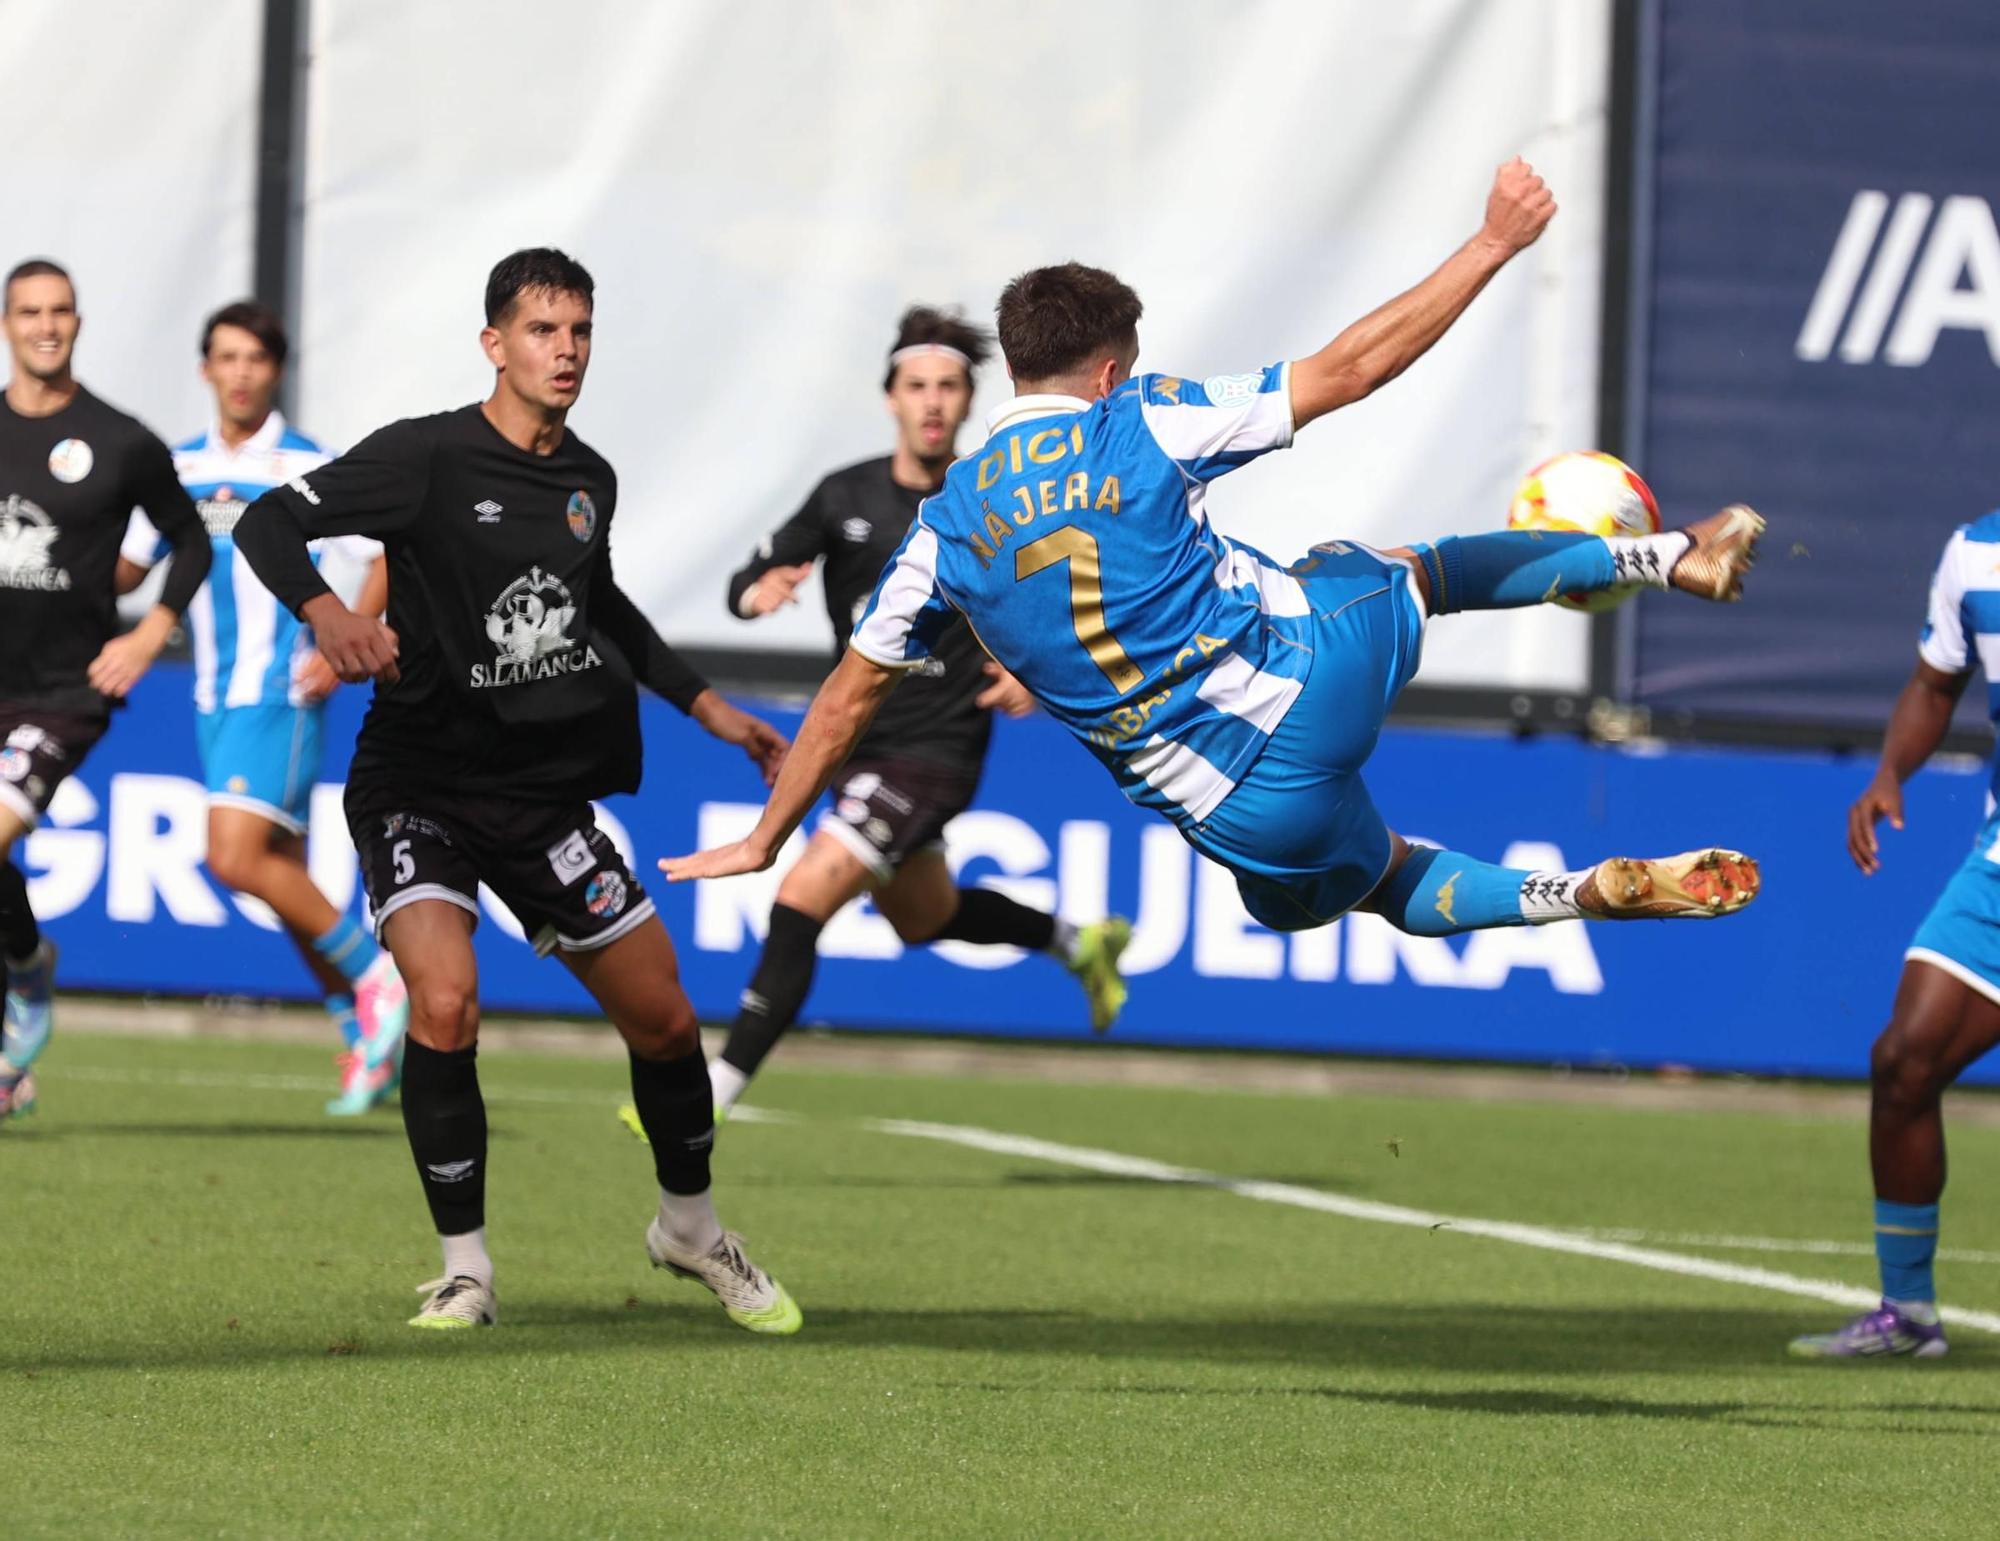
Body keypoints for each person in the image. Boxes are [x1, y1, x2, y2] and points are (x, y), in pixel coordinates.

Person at [663, 158, 1766, 960]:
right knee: (1411, 567)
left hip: (1231, 810)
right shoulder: (1135, 418)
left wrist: (767, 835)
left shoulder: (939, 531)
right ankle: (1669, 560)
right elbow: (1348, 369)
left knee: (1373, 880)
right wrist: (1491, 242)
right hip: (1307, 679)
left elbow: (843, 701)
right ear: (1103, 369)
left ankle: (1571, 895)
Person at [233, 248, 800, 1334]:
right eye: (543, 330)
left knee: (667, 1018)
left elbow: (607, 610)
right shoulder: (428, 455)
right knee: (444, 1001)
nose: (567, 350)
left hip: (538, 797)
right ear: (494, 343)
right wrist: (326, 612)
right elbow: (268, 521)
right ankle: (466, 1269)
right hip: (416, 782)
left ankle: (688, 1228)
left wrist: (710, 707)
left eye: (580, 330)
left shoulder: (588, 479)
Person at [682, 306, 1131, 1126]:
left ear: (969, 402)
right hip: (856, 748)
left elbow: (1065, 602)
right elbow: (745, 580)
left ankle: (705, 1099)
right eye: (917, 385)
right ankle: (1080, 940)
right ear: (891, 396)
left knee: (803, 892)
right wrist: (760, 591)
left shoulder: (992, 492)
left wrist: (1036, 673)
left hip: (938, 748)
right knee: (927, 915)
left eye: (949, 387)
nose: (932, 401)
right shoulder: (843, 494)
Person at [117, 300, 406, 1116]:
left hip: (279, 687)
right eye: (227, 357)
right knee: (279, 877)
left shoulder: (304, 462)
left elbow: (380, 547)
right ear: (206, 367)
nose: (240, 372)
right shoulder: (175, 465)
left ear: (275, 370)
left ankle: (383, 984)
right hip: (214, 697)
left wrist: (346, 635)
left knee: (235, 857)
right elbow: (131, 567)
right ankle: (366, 1035)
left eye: (255, 358)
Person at [0, 258, 212, 1121]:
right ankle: (25, 962)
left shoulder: (121, 440)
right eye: (28, 312)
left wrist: (151, 630)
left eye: (60, 311)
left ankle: (21, 979)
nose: (45, 325)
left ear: (78, 323)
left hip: (63, 694)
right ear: (8, 324)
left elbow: (191, 539)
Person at [1787, 517, 2000, 1359]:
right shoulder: (1974, 551)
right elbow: (1934, 684)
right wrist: (1888, 773)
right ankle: (1908, 1314)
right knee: (1905, 1060)